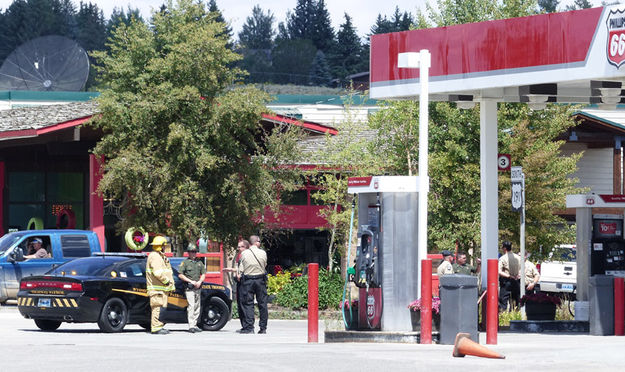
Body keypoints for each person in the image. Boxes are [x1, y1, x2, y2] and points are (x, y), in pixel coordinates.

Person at [239, 237, 268, 334]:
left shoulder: (244, 253)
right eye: (259, 241)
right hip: (260, 280)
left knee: (248, 304)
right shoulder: (263, 253)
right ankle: (263, 327)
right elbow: (265, 265)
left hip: (248, 280)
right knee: (262, 304)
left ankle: (249, 327)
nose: (260, 243)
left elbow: (241, 269)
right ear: (255, 242)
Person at [146, 236, 174, 335]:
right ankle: (156, 328)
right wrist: (166, 281)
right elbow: (157, 273)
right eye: (164, 245)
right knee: (157, 308)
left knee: (161, 308)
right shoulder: (155, 256)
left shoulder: (159, 256)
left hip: (161, 289)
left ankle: (159, 326)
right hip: (157, 289)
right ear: (161, 246)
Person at [222, 240, 249, 332]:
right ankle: (244, 325)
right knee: (240, 303)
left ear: (245, 247)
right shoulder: (239, 256)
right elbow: (238, 268)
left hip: (245, 282)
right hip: (239, 281)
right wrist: (231, 269)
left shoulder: (247, 256)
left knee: (245, 303)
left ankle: (247, 325)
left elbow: (246, 269)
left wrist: (239, 273)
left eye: (240, 247)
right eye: (238, 247)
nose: (238, 249)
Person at [178, 244, 205, 333]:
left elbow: (203, 274)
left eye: (195, 252)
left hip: (198, 287)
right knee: (191, 306)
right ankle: (191, 325)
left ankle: (195, 324)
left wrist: (200, 282)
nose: (193, 254)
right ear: (188, 253)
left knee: (197, 306)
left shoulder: (199, 263)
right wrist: (190, 281)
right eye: (191, 252)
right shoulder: (185, 263)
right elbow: (180, 275)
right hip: (189, 288)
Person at [498, 241, 521, 311]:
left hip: (506, 281)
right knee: (516, 301)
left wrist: (509, 276)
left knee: (503, 301)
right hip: (516, 281)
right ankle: (516, 316)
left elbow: (499, 271)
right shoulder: (518, 257)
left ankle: (503, 316)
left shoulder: (503, 258)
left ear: (504, 248)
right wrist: (517, 275)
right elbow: (522, 269)